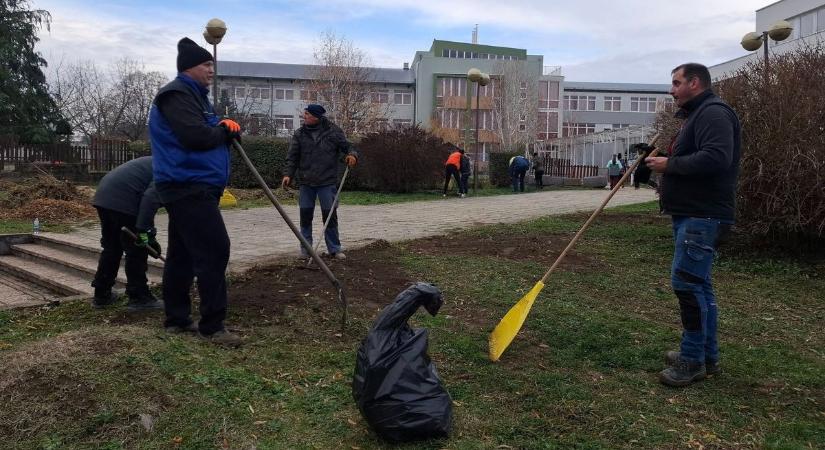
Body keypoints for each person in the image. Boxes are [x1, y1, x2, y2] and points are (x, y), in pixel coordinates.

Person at [645, 62, 740, 387]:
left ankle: (692, 359)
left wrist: (670, 165)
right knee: (699, 286)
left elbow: (717, 158)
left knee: (687, 286)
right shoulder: (697, 115)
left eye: (676, 83)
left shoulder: (714, 113)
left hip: (704, 215)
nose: (671, 90)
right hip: (694, 214)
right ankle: (705, 355)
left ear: (695, 83)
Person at [148, 37, 242, 346]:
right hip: (187, 184)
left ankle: (177, 318)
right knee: (215, 249)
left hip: (194, 184)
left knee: (183, 254)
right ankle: (212, 327)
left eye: (211, 64)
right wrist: (224, 131)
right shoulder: (176, 95)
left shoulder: (195, 96)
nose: (211, 70)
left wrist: (222, 128)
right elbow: (195, 136)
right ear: (190, 68)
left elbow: (204, 132)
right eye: (207, 64)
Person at [281, 104, 358, 259]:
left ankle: (334, 248)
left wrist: (352, 155)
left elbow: (348, 146)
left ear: (316, 117)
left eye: (307, 114)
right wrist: (288, 174)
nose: (304, 116)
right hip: (306, 181)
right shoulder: (300, 134)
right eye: (305, 113)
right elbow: (293, 157)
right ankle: (306, 249)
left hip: (327, 181)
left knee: (329, 216)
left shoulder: (333, 132)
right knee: (305, 215)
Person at [90, 156, 162, 311]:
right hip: (125, 199)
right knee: (137, 249)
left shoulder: (158, 161)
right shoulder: (170, 170)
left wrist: (150, 237)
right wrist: (147, 235)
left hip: (104, 196)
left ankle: (101, 294)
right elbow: (149, 202)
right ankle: (139, 297)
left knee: (112, 248)